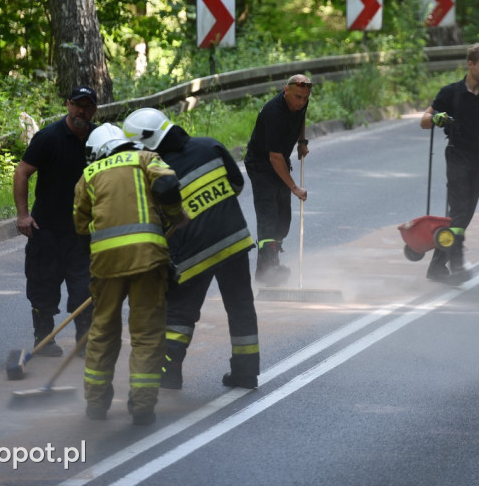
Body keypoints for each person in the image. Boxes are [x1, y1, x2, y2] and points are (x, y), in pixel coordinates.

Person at [122, 108, 260, 390]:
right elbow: (236, 184)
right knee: (241, 306)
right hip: (233, 241)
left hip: (192, 255)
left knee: (180, 314)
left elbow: (154, 219)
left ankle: (168, 374)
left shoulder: (154, 171)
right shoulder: (209, 145)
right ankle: (246, 374)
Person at [73, 123, 186, 426]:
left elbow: (81, 226)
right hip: (148, 259)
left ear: (96, 151)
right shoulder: (145, 158)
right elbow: (167, 185)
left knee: (102, 332)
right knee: (147, 333)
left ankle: (96, 404)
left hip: (106, 264)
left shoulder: (89, 175)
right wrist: (175, 215)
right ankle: (142, 407)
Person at [13, 85, 98, 357]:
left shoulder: (100, 139)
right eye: (77, 104)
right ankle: (44, 339)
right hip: (46, 229)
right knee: (42, 288)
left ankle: (85, 341)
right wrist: (23, 215)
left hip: (83, 230)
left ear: (94, 110)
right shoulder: (48, 137)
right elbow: (22, 173)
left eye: (87, 106)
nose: (81, 111)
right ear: (68, 104)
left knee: (85, 288)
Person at [420, 44, 479, 281]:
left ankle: (437, 266)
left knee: (465, 213)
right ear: (470, 64)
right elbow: (424, 120)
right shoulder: (451, 93)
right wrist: (436, 117)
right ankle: (457, 263)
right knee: (459, 210)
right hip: (457, 153)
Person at [244, 74, 312, 286]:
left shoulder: (302, 102)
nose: (301, 102)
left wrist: (302, 141)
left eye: (305, 97)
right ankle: (266, 271)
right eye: (297, 97)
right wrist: (294, 187)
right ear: (286, 90)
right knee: (269, 215)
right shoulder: (273, 113)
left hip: (280, 160)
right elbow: (274, 157)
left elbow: (301, 116)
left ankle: (273, 260)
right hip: (262, 164)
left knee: (284, 219)